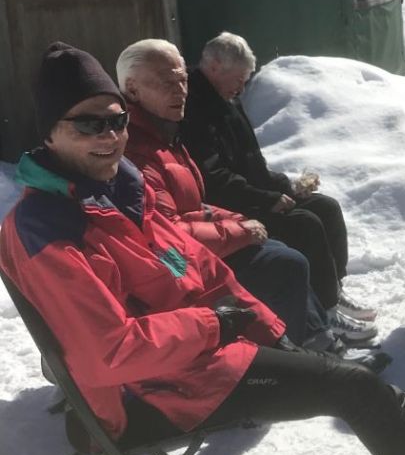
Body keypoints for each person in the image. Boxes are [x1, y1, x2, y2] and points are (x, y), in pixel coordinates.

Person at [0, 41, 405, 455]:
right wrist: (212, 323)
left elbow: (183, 261)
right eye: (87, 123)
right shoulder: (51, 227)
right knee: (349, 386)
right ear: (49, 132)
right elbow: (108, 354)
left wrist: (250, 317)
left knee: (322, 362)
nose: (109, 136)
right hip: (146, 392)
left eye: (116, 119)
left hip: (188, 354)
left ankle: (403, 410)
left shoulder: (112, 193)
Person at [118, 38, 368, 354]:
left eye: (182, 80)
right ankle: (309, 348)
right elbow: (165, 233)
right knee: (289, 254)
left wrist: (262, 203)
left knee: (316, 216)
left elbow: (198, 200)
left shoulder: (167, 131)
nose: (181, 90)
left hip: (202, 239)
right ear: (132, 88)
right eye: (168, 81)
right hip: (177, 265)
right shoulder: (142, 146)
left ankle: (322, 314)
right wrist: (243, 222)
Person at [181, 32, 374, 333]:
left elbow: (250, 162)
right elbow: (214, 179)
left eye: (246, 79)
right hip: (230, 208)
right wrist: (265, 198)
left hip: (252, 193)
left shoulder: (226, 97)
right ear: (216, 67)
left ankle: (333, 290)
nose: (243, 87)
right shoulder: (195, 110)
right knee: (305, 223)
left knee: (326, 207)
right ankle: (325, 311)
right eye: (239, 78)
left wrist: (285, 185)